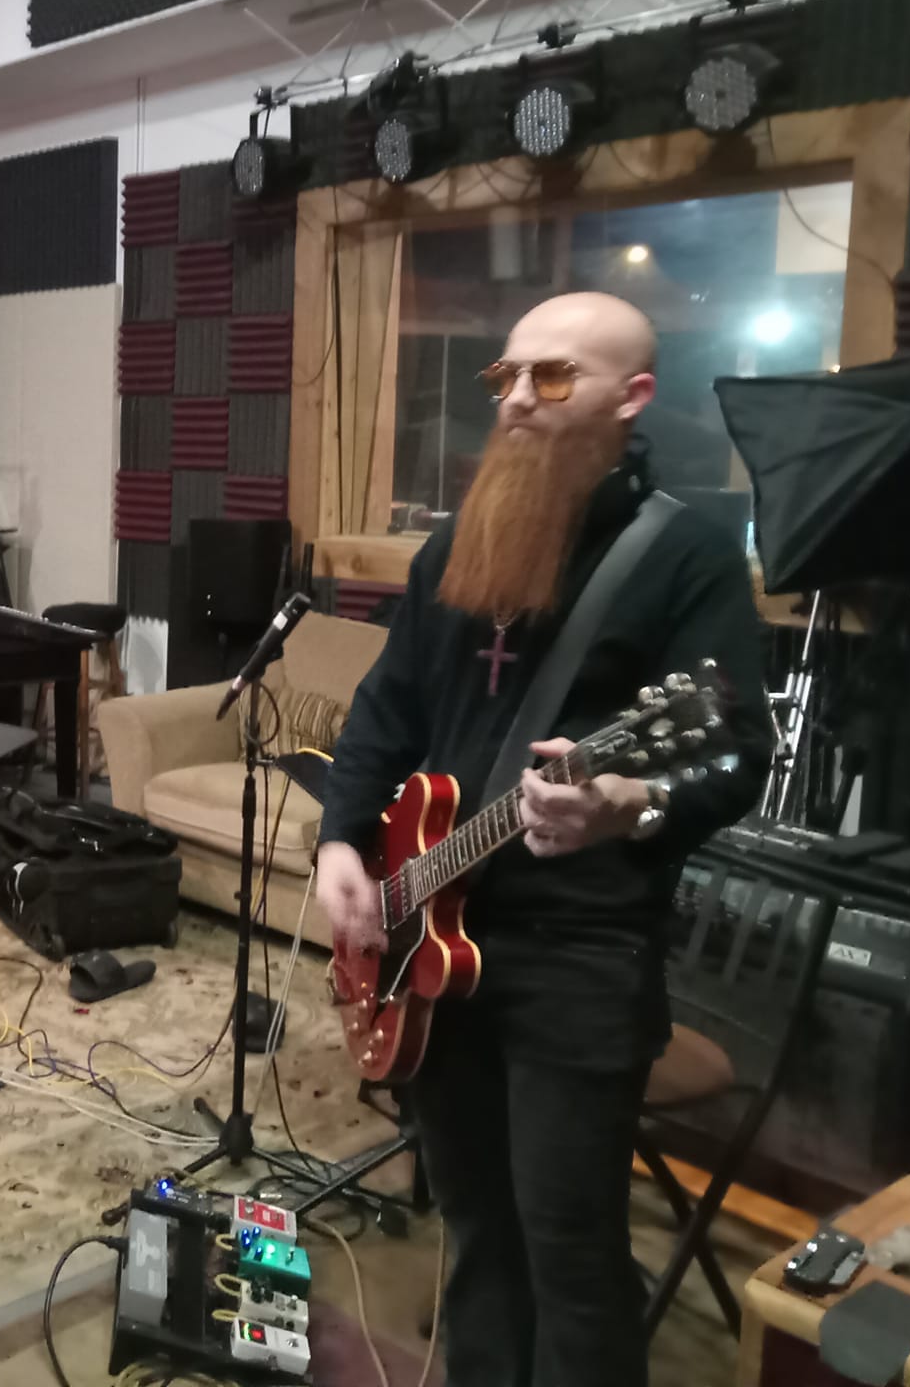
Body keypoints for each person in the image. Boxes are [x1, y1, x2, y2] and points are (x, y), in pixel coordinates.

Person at [316, 292, 771, 1387]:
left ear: (631, 396)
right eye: (505, 376)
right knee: (477, 1229)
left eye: (552, 376)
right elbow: (386, 710)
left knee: (570, 1253)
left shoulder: (685, 556)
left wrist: (622, 803)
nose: (516, 397)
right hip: (434, 944)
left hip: (580, 954)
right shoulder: (454, 547)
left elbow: (732, 755)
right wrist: (342, 844)